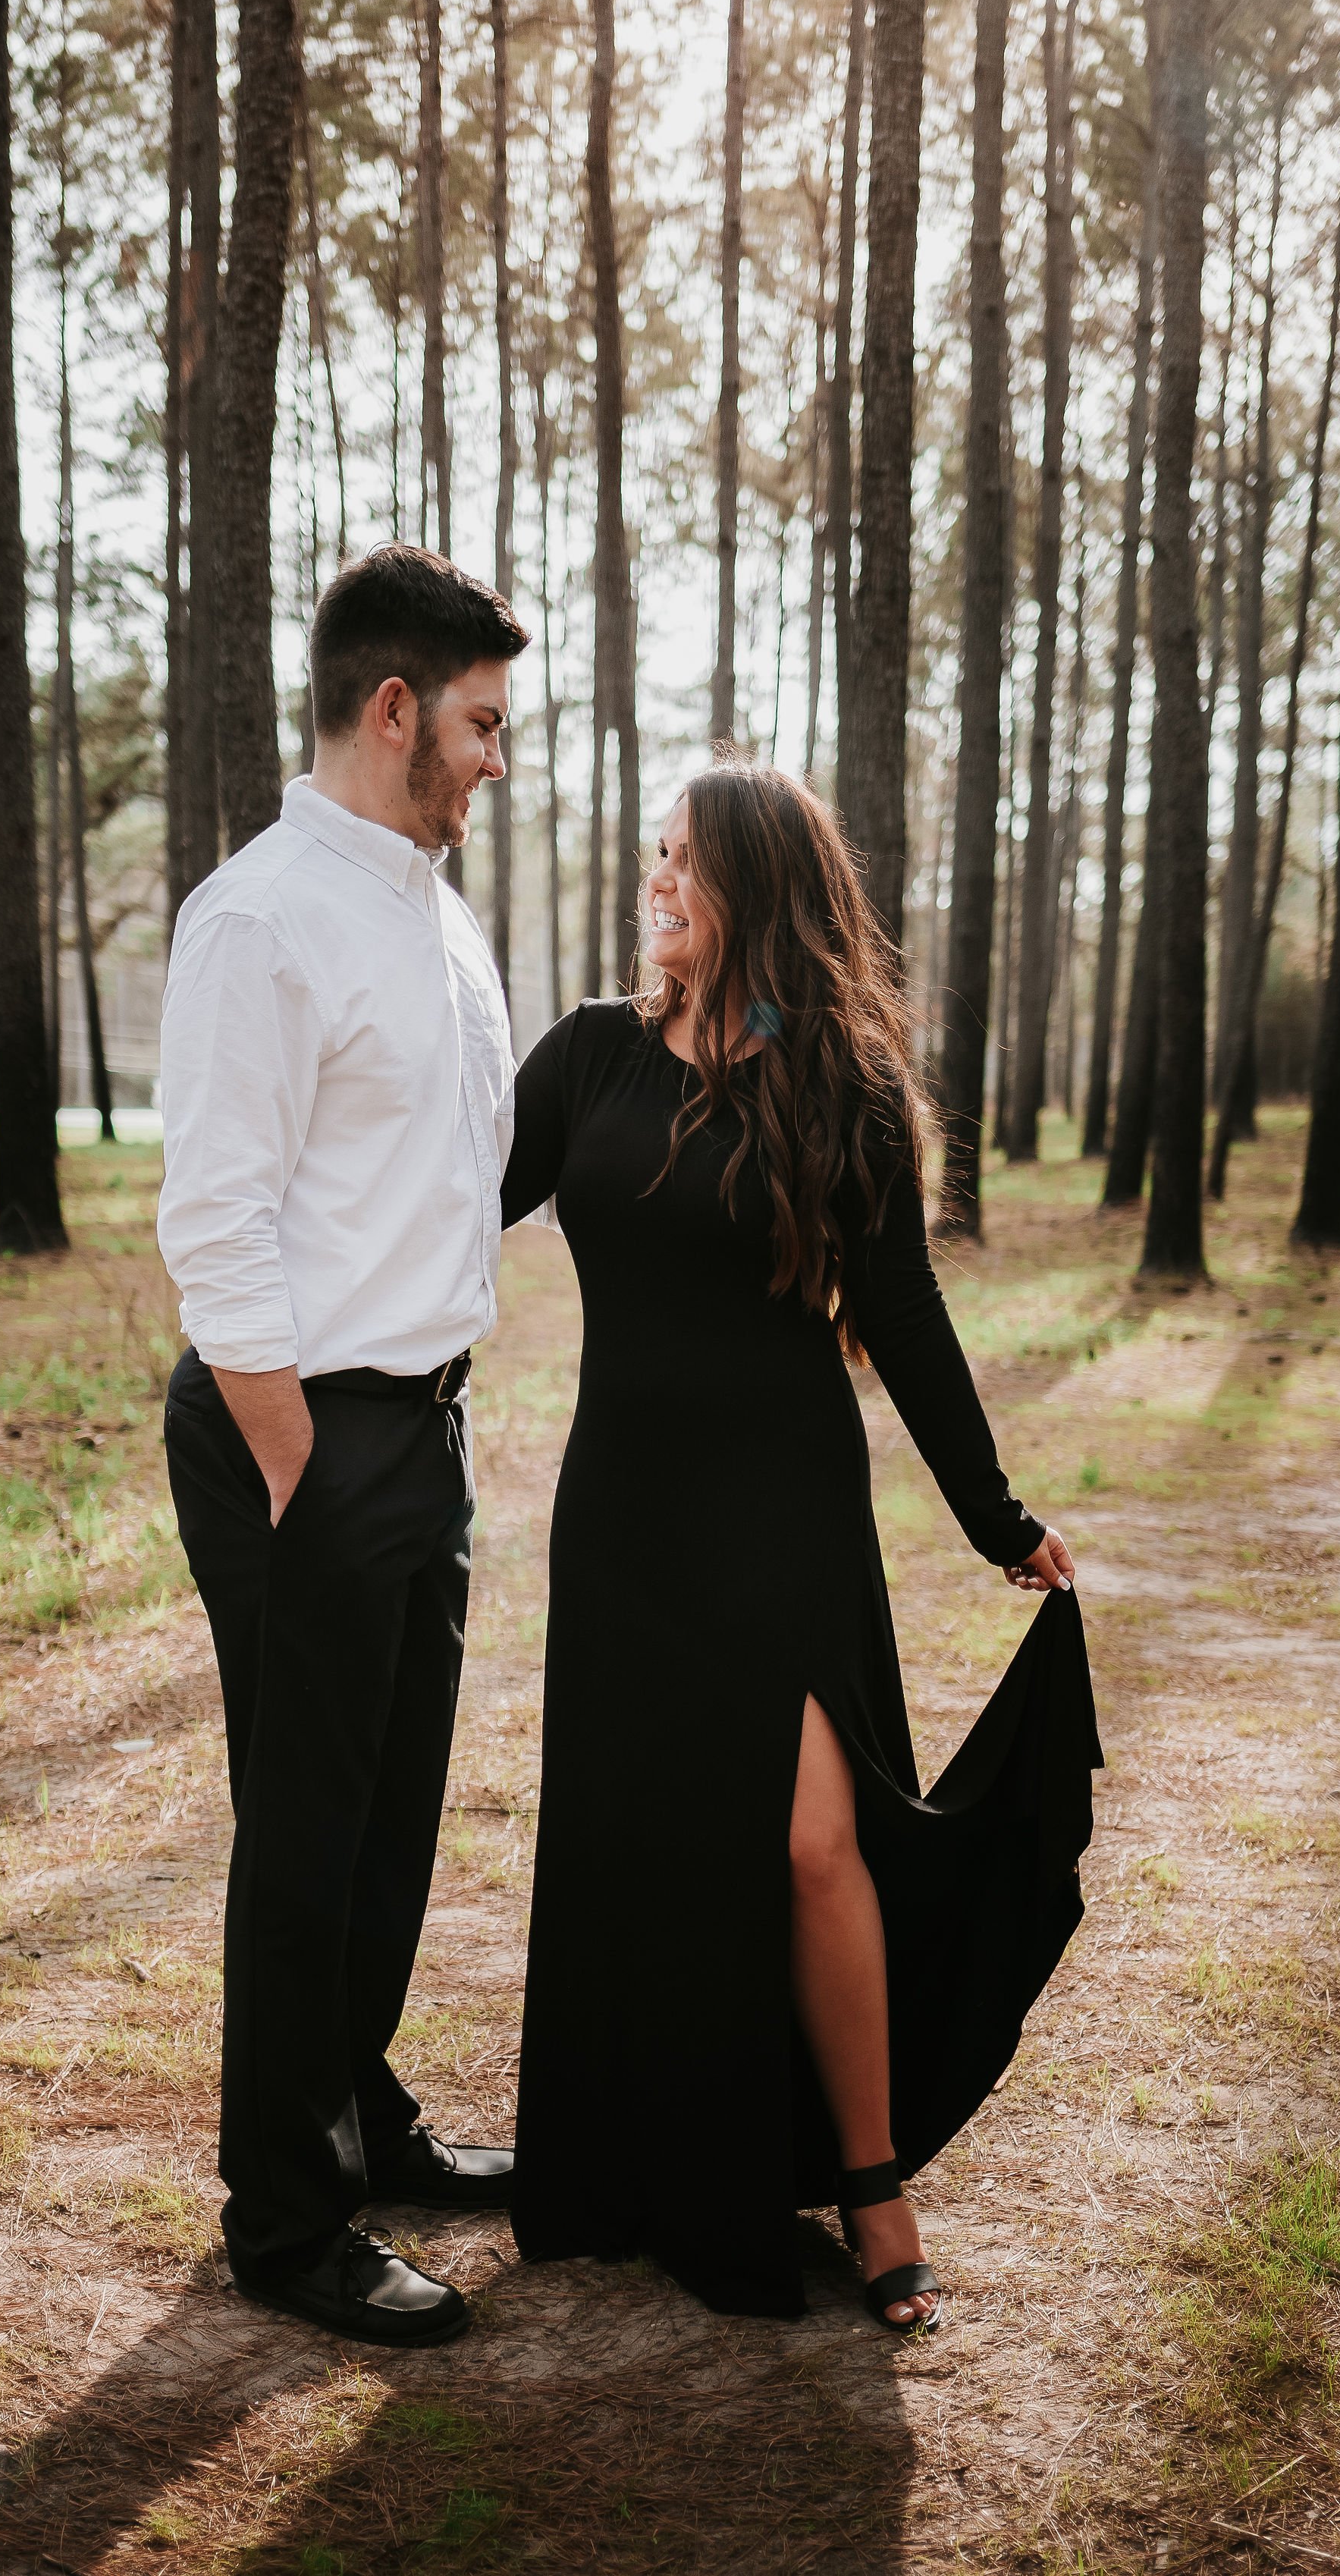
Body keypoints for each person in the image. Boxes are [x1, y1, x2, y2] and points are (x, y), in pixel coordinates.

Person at [501, 764, 1101, 2327]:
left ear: (755, 889)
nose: (655, 880)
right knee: (642, 1841)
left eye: (681, 861)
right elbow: (446, 1217)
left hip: (781, 1515)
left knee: (812, 1845)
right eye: (654, 855)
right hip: (622, 1511)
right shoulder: (583, 1059)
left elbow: (902, 1319)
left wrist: (996, 1520)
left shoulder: (839, 1085)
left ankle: (869, 2179)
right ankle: (649, 2166)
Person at [158, 545, 529, 2348]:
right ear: (394, 710)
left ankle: (358, 2116)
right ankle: (286, 2223)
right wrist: (297, 1454)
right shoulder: (261, 916)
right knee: (307, 1838)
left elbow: (448, 1168)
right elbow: (217, 1221)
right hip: (301, 1440)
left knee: (388, 1831)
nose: (493, 759)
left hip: (421, 1432)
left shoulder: (438, 915)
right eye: (476, 724)